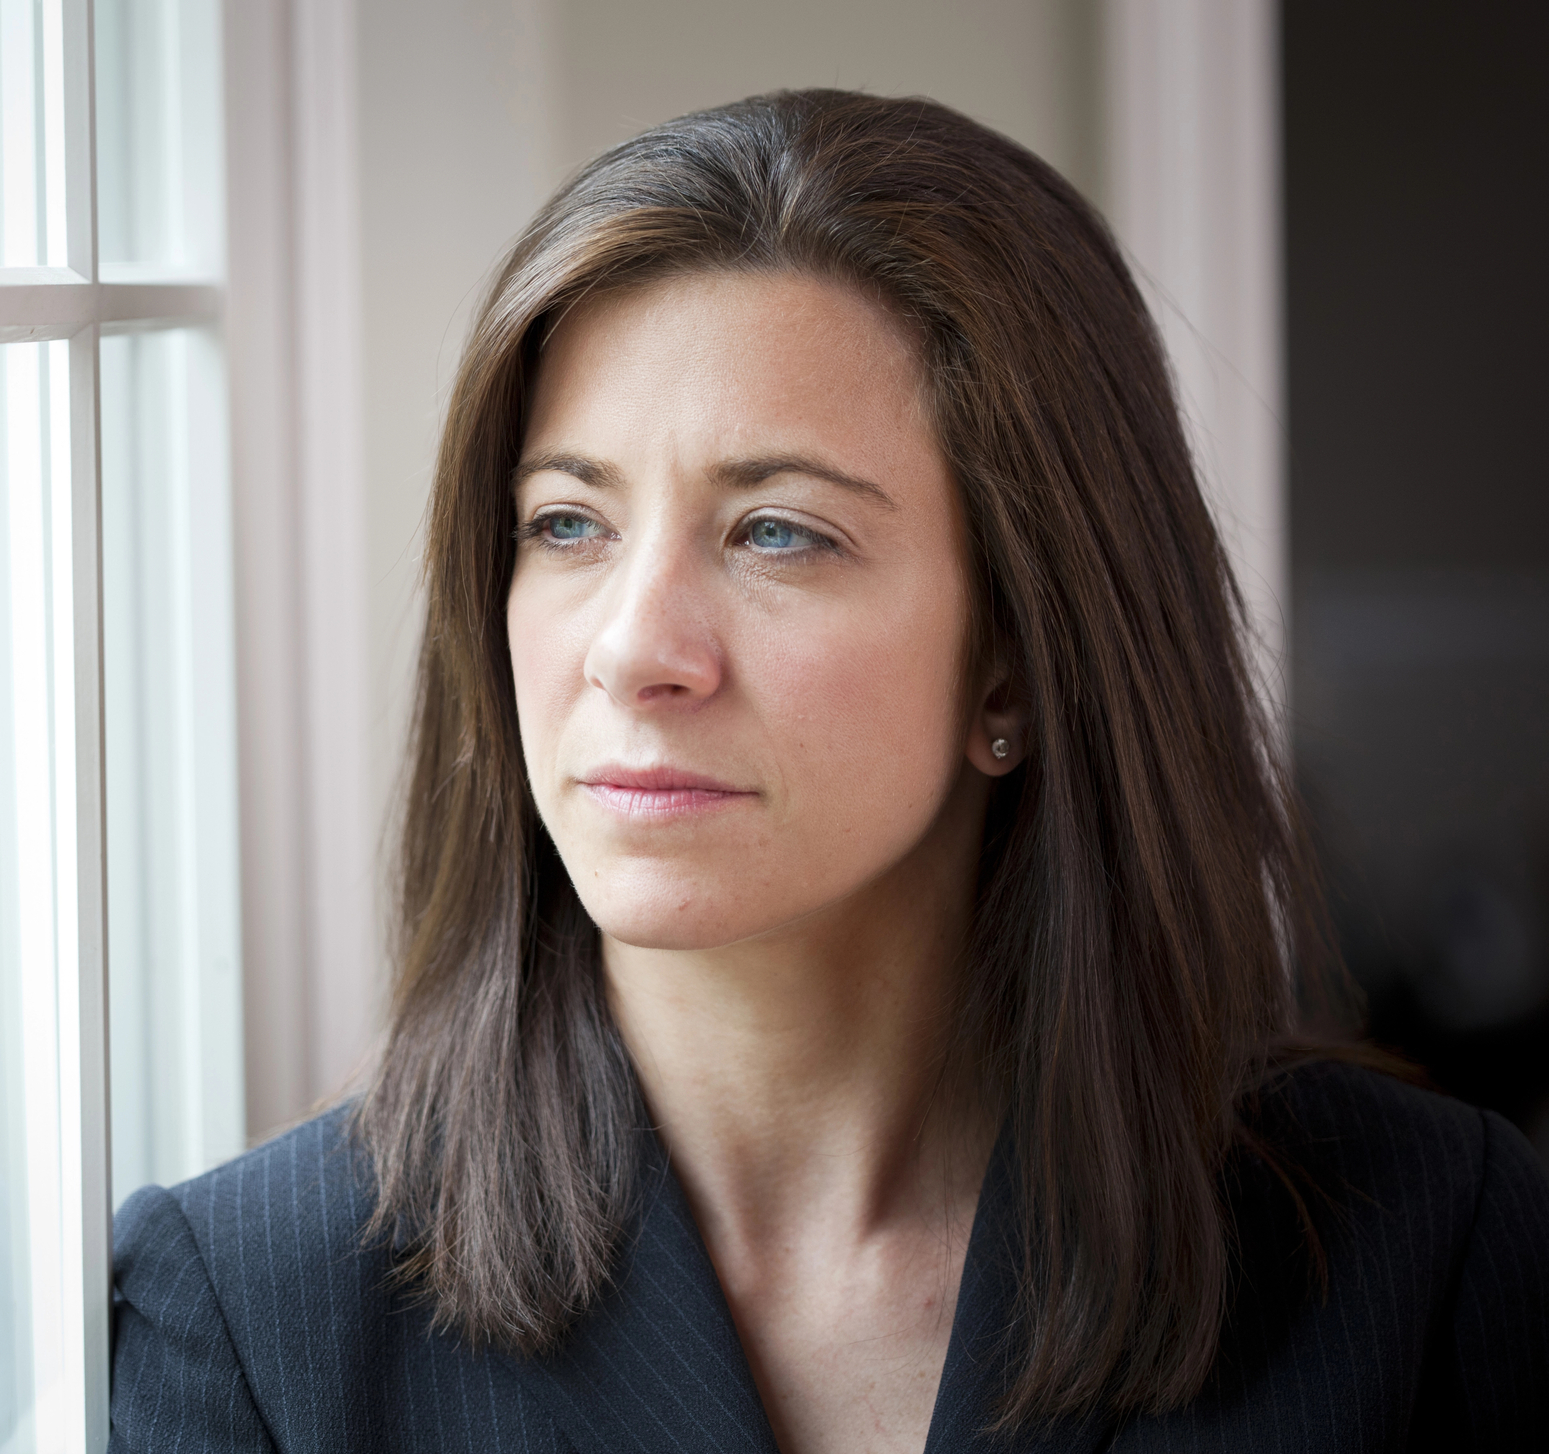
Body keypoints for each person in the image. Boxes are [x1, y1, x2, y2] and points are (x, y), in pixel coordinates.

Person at [108, 90, 1549, 1453]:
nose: (632, 650)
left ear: (1015, 663)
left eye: (776, 532)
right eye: (566, 523)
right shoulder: (244, 1311)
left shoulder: (1430, 1252)